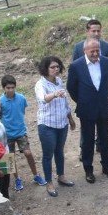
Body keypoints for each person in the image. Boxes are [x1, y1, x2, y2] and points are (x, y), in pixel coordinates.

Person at [67, 39, 108, 183]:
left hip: (103, 106)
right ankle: (88, 169)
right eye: (92, 51)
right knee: (88, 140)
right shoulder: (76, 66)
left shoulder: (106, 62)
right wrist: (82, 100)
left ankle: (106, 167)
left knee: (105, 138)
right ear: (85, 51)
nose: (95, 53)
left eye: (97, 51)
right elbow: (71, 87)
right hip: (86, 108)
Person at [33, 56, 77, 198]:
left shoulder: (59, 81)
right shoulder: (41, 84)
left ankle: (61, 176)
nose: (56, 69)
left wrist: (70, 119)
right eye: (52, 67)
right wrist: (54, 94)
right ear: (45, 69)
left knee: (59, 151)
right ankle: (49, 182)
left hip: (61, 123)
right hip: (47, 124)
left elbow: (65, 102)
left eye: (57, 66)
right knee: (48, 154)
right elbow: (42, 99)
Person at [0, 75, 46, 190]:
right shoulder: (0, 101)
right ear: (3, 88)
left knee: (28, 153)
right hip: (7, 134)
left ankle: (36, 175)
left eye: (12, 87)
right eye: (8, 88)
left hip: (20, 132)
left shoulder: (21, 98)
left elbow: (22, 112)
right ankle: (17, 179)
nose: (10, 90)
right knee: (9, 157)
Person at [72, 18, 108, 88]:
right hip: (85, 88)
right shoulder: (78, 47)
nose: (96, 34)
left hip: (103, 88)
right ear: (87, 31)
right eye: (93, 31)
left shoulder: (107, 47)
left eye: (98, 31)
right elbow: (74, 70)